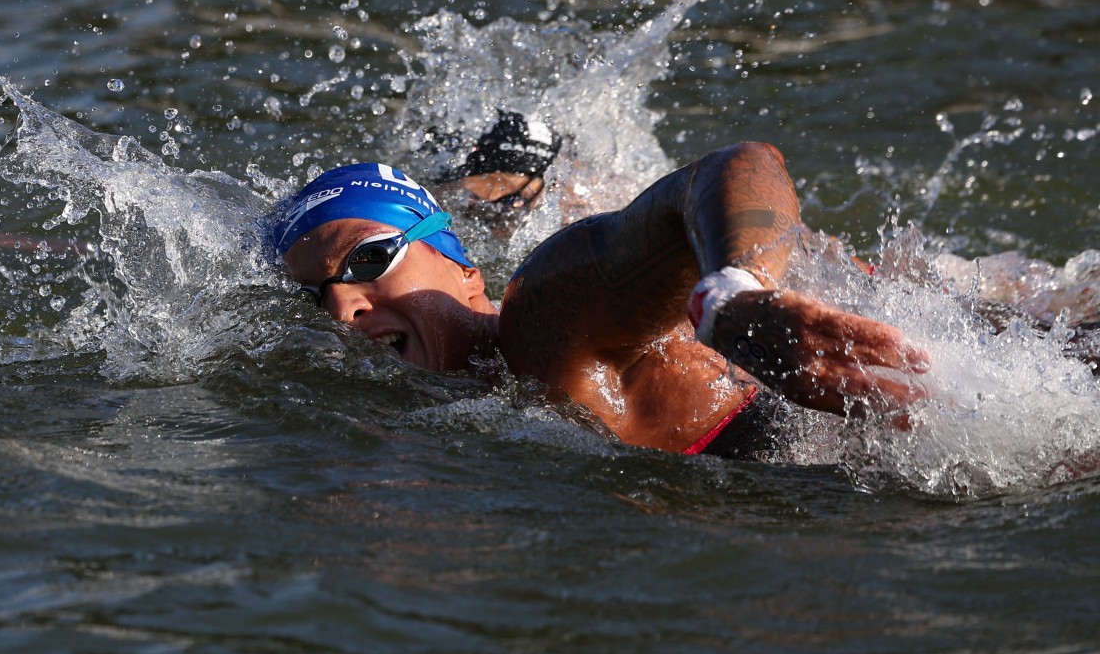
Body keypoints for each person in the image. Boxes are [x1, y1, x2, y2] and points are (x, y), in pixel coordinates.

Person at [264, 129, 932, 455]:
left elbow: (742, 163)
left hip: (925, 334)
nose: (340, 308)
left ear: (467, 271)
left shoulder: (544, 318)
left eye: (369, 258)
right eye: (312, 298)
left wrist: (741, 293)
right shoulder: (463, 417)